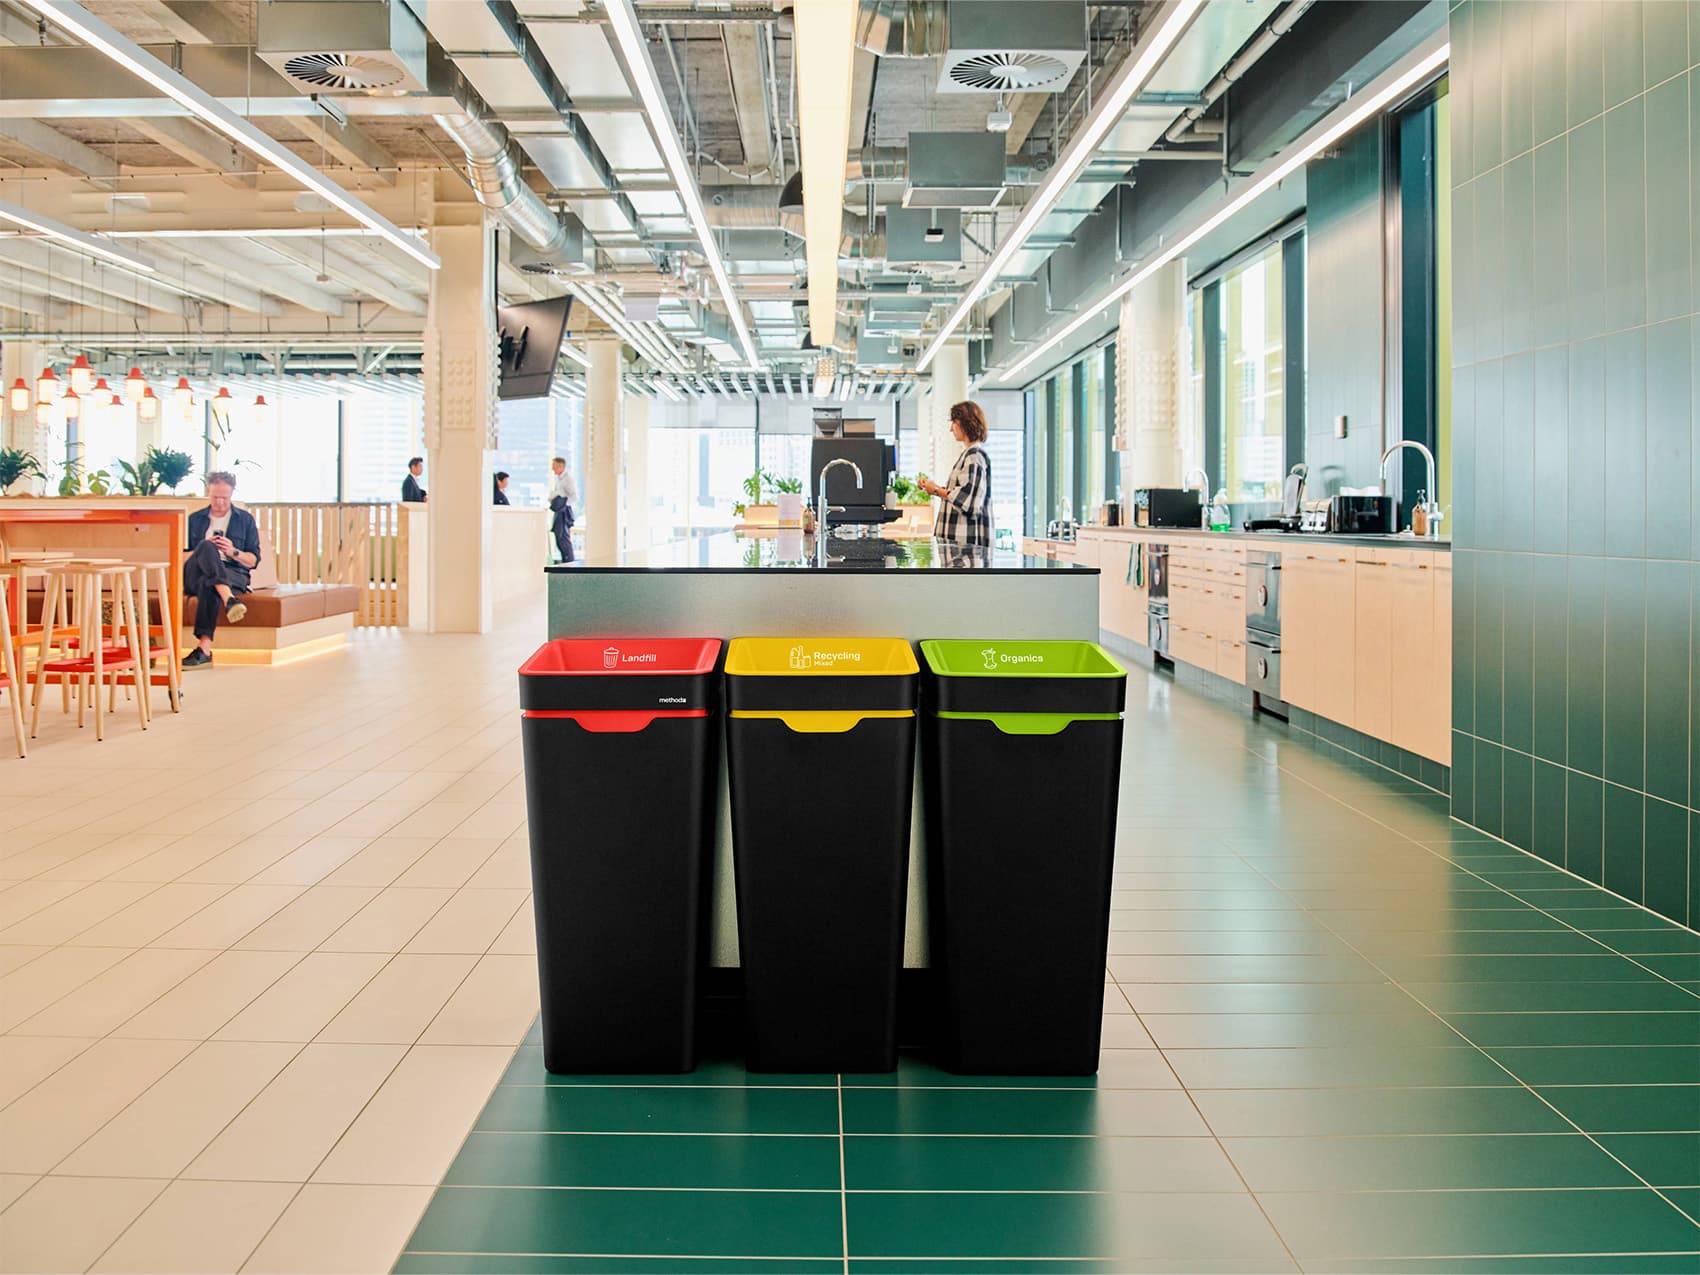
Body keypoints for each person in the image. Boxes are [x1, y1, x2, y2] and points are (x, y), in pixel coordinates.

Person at [181, 471, 260, 670]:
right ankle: (229, 600)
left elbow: (252, 561)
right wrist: (202, 548)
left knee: (210, 585)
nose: (220, 502)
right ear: (208, 492)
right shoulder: (194, 520)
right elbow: (179, 558)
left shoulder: (245, 520)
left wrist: (232, 551)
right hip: (195, 572)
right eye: (215, 497)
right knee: (207, 547)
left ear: (232, 494)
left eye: (225, 497)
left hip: (232, 572)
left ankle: (204, 650)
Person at [919, 400, 993, 547]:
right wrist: (933, 487)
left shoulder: (974, 457)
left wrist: (935, 489)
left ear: (965, 423)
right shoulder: (969, 455)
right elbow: (962, 493)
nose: (950, 429)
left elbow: (968, 502)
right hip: (961, 547)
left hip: (967, 548)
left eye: (953, 422)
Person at [548, 456, 577, 562]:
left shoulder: (568, 479)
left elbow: (574, 497)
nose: (552, 468)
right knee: (559, 539)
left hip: (564, 512)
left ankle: (569, 564)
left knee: (563, 539)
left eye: (554, 466)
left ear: (561, 466)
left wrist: (563, 503)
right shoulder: (559, 479)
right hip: (558, 511)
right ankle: (565, 562)